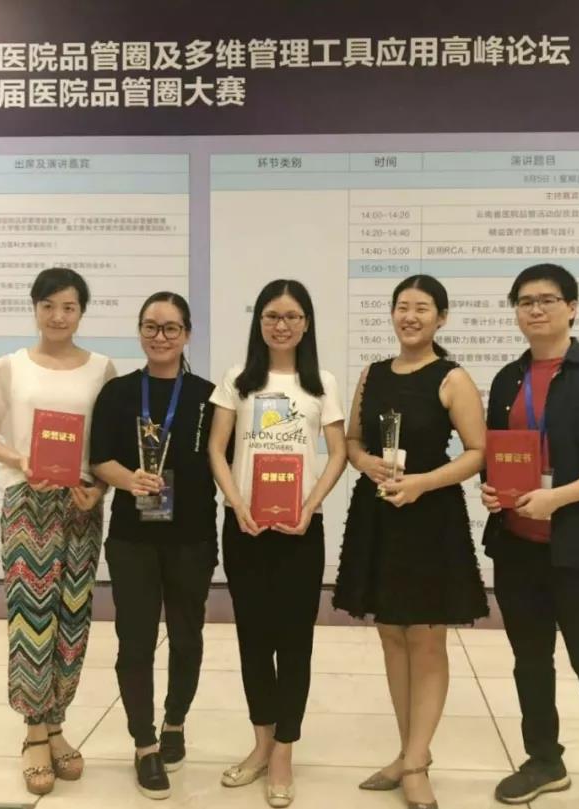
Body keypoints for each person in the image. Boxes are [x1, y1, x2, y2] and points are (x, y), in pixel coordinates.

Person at [480, 263, 579, 809]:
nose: (535, 310)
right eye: (524, 301)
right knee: (530, 661)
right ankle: (544, 760)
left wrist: (558, 498)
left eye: (547, 300)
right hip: (516, 545)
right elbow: (500, 455)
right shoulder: (508, 379)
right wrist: (492, 491)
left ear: (571, 308)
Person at [333, 274, 489, 809]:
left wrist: (422, 483)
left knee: (425, 638)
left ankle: (418, 761)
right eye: (403, 306)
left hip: (429, 517)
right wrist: (365, 462)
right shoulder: (372, 374)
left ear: (441, 318)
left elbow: (477, 452)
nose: (410, 316)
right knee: (391, 635)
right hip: (378, 513)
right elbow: (353, 440)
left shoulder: (452, 377)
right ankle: (407, 752)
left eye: (422, 308)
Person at [0, 267, 115, 795]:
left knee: (73, 617)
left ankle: (57, 723)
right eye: (48, 305)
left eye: (69, 307)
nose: (58, 316)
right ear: (34, 308)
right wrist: (20, 458)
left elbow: (108, 448)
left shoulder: (102, 370)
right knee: (31, 618)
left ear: (82, 312)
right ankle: (34, 732)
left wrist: (100, 489)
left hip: (80, 504)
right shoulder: (11, 367)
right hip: (26, 502)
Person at [208, 279, 347, 808]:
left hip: (299, 532)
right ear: (259, 322)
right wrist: (236, 503)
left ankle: (285, 749)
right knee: (252, 638)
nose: (281, 325)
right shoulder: (237, 380)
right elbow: (217, 449)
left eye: (291, 316)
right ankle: (261, 743)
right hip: (245, 528)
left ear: (306, 324)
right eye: (271, 316)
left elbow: (338, 452)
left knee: (294, 642)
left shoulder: (321, 384)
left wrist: (310, 506)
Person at [89, 292, 218, 800]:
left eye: (170, 328)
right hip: (133, 539)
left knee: (187, 637)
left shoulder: (209, 397)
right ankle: (144, 743)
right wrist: (129, 478)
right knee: (136, 641)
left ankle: (175, 723)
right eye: (150, 326)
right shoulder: (119, 392)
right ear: (140, 331)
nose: (159, 337)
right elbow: (99, 457)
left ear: (187, 334)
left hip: (192, 538)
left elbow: (227, 462)